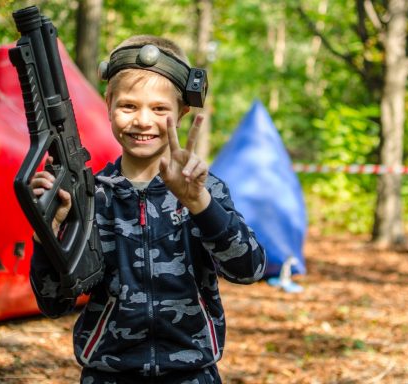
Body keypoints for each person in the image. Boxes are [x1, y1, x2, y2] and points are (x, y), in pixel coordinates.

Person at [29, 35, 266, 384]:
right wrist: (46, 230)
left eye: (159, 109)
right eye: (128, 106)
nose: (143, 121)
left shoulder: (205, 189)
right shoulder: (89, 195)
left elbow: (250, 268)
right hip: (108, 374)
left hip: (192, 374)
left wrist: (198, 203)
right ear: (108, 104)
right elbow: (53, 303)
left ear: (182, 112)